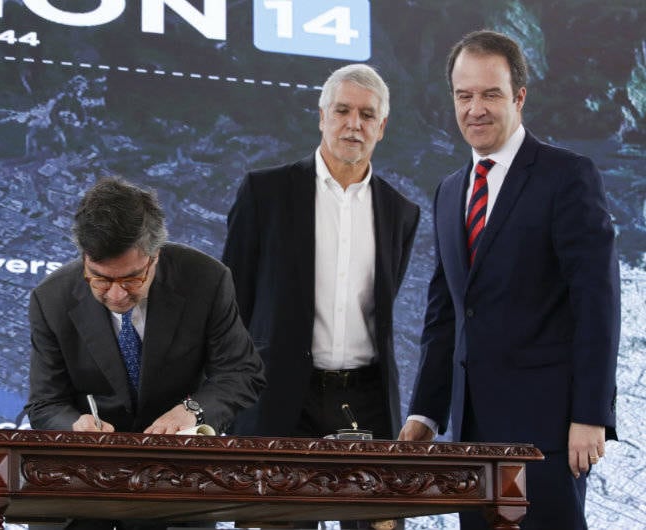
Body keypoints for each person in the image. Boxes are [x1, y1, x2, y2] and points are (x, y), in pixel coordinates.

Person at [399, 30, 620, 530]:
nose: (475, 108)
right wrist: (426, 414)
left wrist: (590, 416)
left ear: (519, 97)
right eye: (464, 95)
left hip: (549, 434)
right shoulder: (450, 191)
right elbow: (446, 314)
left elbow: (597, 302)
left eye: (490, 94)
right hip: (471, 437)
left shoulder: (568, 176)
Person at [222, 63, 419, 530]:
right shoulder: (265, 193)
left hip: (367, 402)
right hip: (278, 398)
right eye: (343, 110)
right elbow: (229, 306)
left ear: (382, 126)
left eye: (367, 115)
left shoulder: (401, 212)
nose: (355, 124)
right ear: (321, 116)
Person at [24, 176, 265, 528]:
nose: (117, 296)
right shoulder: (51, 298)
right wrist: (76, 425)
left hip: (177, 485)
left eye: (132, 279)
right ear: (84, 258)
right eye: (101, 280)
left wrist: (192, 411)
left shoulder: (205, 279)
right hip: (80, 492)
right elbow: (45, 403)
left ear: (155, 255)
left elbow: (242, 372)